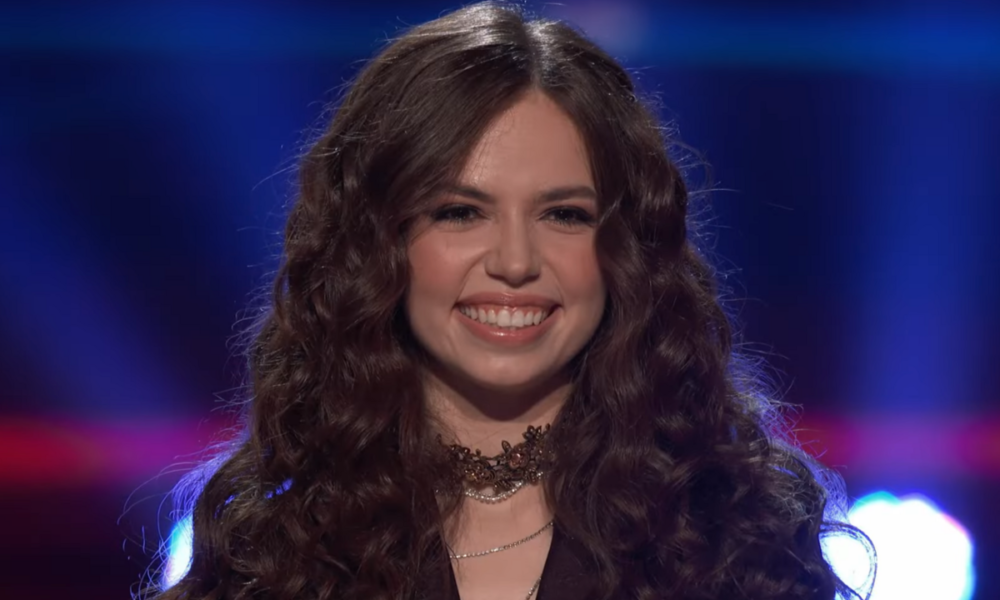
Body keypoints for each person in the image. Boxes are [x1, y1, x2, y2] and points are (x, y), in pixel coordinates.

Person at [149, 2, 871, 599]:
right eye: (460, 212)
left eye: (565, 215)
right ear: (376, 243)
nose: (516, 262)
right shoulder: (267, 559)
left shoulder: (737, 544)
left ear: (626, 249)